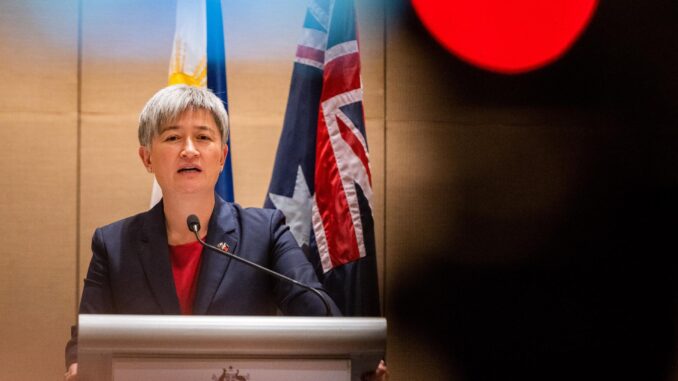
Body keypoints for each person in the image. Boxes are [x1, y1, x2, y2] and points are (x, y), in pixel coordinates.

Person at [64, 85, 387, 380]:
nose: (189, 150)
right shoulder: (113, 244)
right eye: (173, 137)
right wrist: (78, 369)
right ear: (146, 157)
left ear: (222, 156)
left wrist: (355, 358)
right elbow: (86, 342)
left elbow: (318, 315)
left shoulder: (266, 233)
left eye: (203, 137)